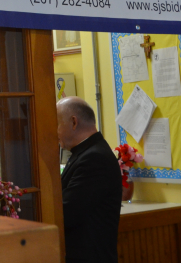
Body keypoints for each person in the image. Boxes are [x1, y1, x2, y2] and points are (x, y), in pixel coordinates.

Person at [57, 96, 122, 263]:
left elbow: (68, 212)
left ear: (73, 122)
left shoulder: (94, 158)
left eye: (56, 124)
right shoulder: (84, 152)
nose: (53, 131)